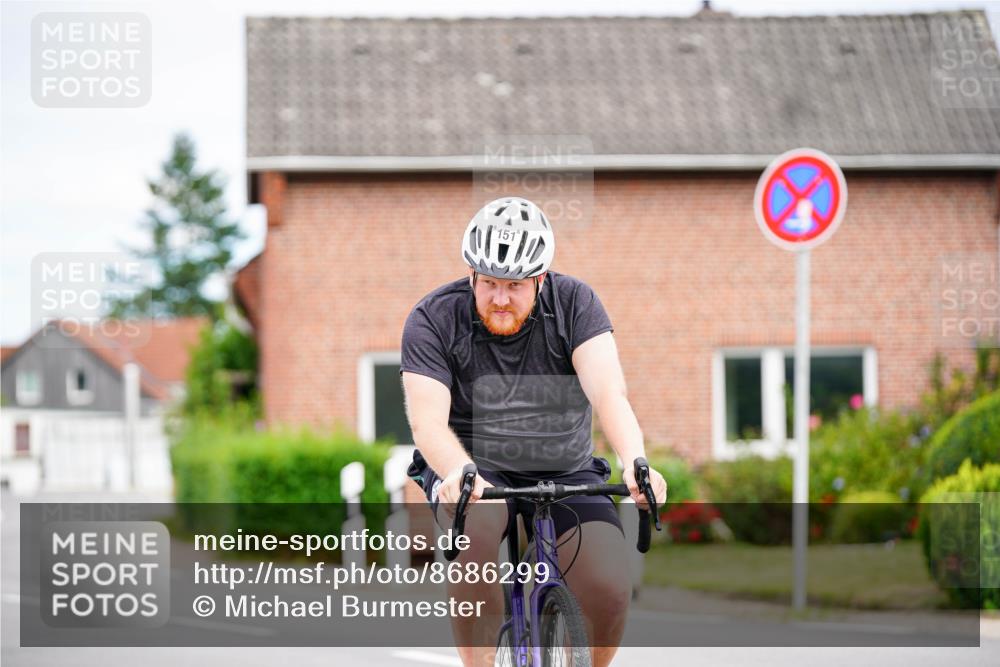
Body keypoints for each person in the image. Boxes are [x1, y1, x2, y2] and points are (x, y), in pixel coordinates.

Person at [401, 196, 667, 667]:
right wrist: (459, 471)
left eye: (515, 286)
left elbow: (609, 392)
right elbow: (428, 423)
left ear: (541, 280)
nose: (500, 299)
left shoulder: (575, 304)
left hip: (564, 469)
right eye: (488, 283)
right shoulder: (433, 319)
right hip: (474, 472)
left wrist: (635, 462)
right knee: (475, 541)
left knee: (608, 585)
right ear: (471, 276)